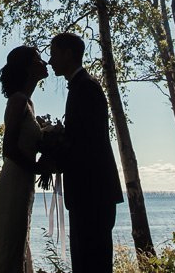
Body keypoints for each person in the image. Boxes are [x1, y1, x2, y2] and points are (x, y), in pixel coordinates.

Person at [42, 32, 124, 273]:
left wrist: (53, 158)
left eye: (54, 53)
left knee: (92, 262)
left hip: (93, 193)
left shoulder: (86, 88)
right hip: (89, 193)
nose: (50, 60)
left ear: (68, 54)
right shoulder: (80, 87)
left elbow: (86, 144)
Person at [0, 45, 47, 273]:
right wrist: (37, 167)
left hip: (23, 186)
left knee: (16, 244)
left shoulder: (29, 103)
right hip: (13, 184)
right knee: (8, 246)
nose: (44, 62)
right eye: (37, 59)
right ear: (26, 67)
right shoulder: (18, 101)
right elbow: (9, 149)